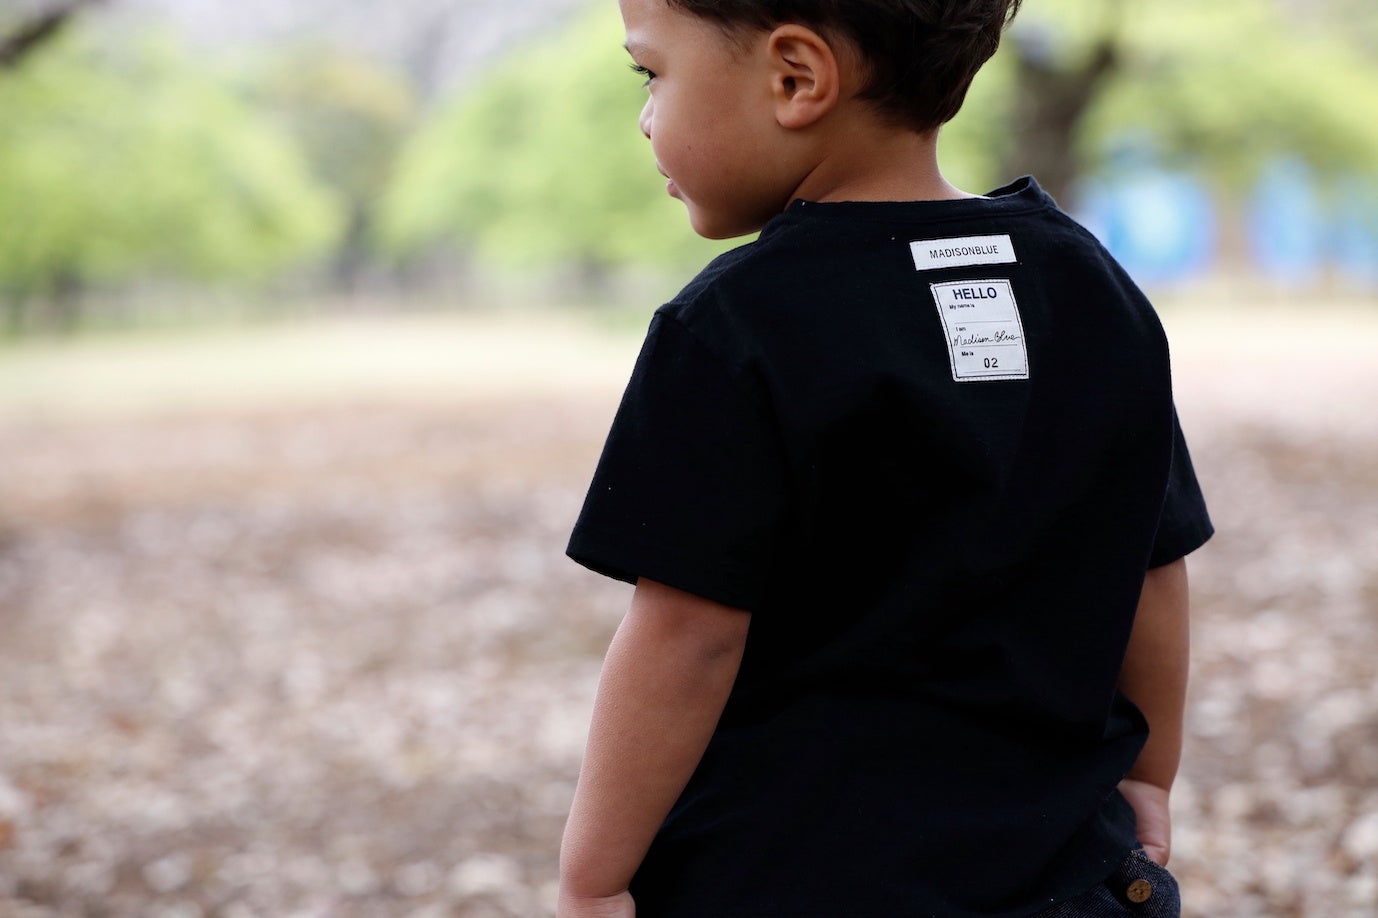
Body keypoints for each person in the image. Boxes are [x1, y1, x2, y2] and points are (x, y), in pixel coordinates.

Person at [558, 0, 1213, 915]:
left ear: (796, 78)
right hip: (1064, 872)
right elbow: (1151, 563)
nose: (644, 115)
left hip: (794, 875)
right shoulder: (1087, 286)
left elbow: (689, 638)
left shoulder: (737, 326)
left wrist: (594, 878)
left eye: (652, 73)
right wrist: (1147, 771)